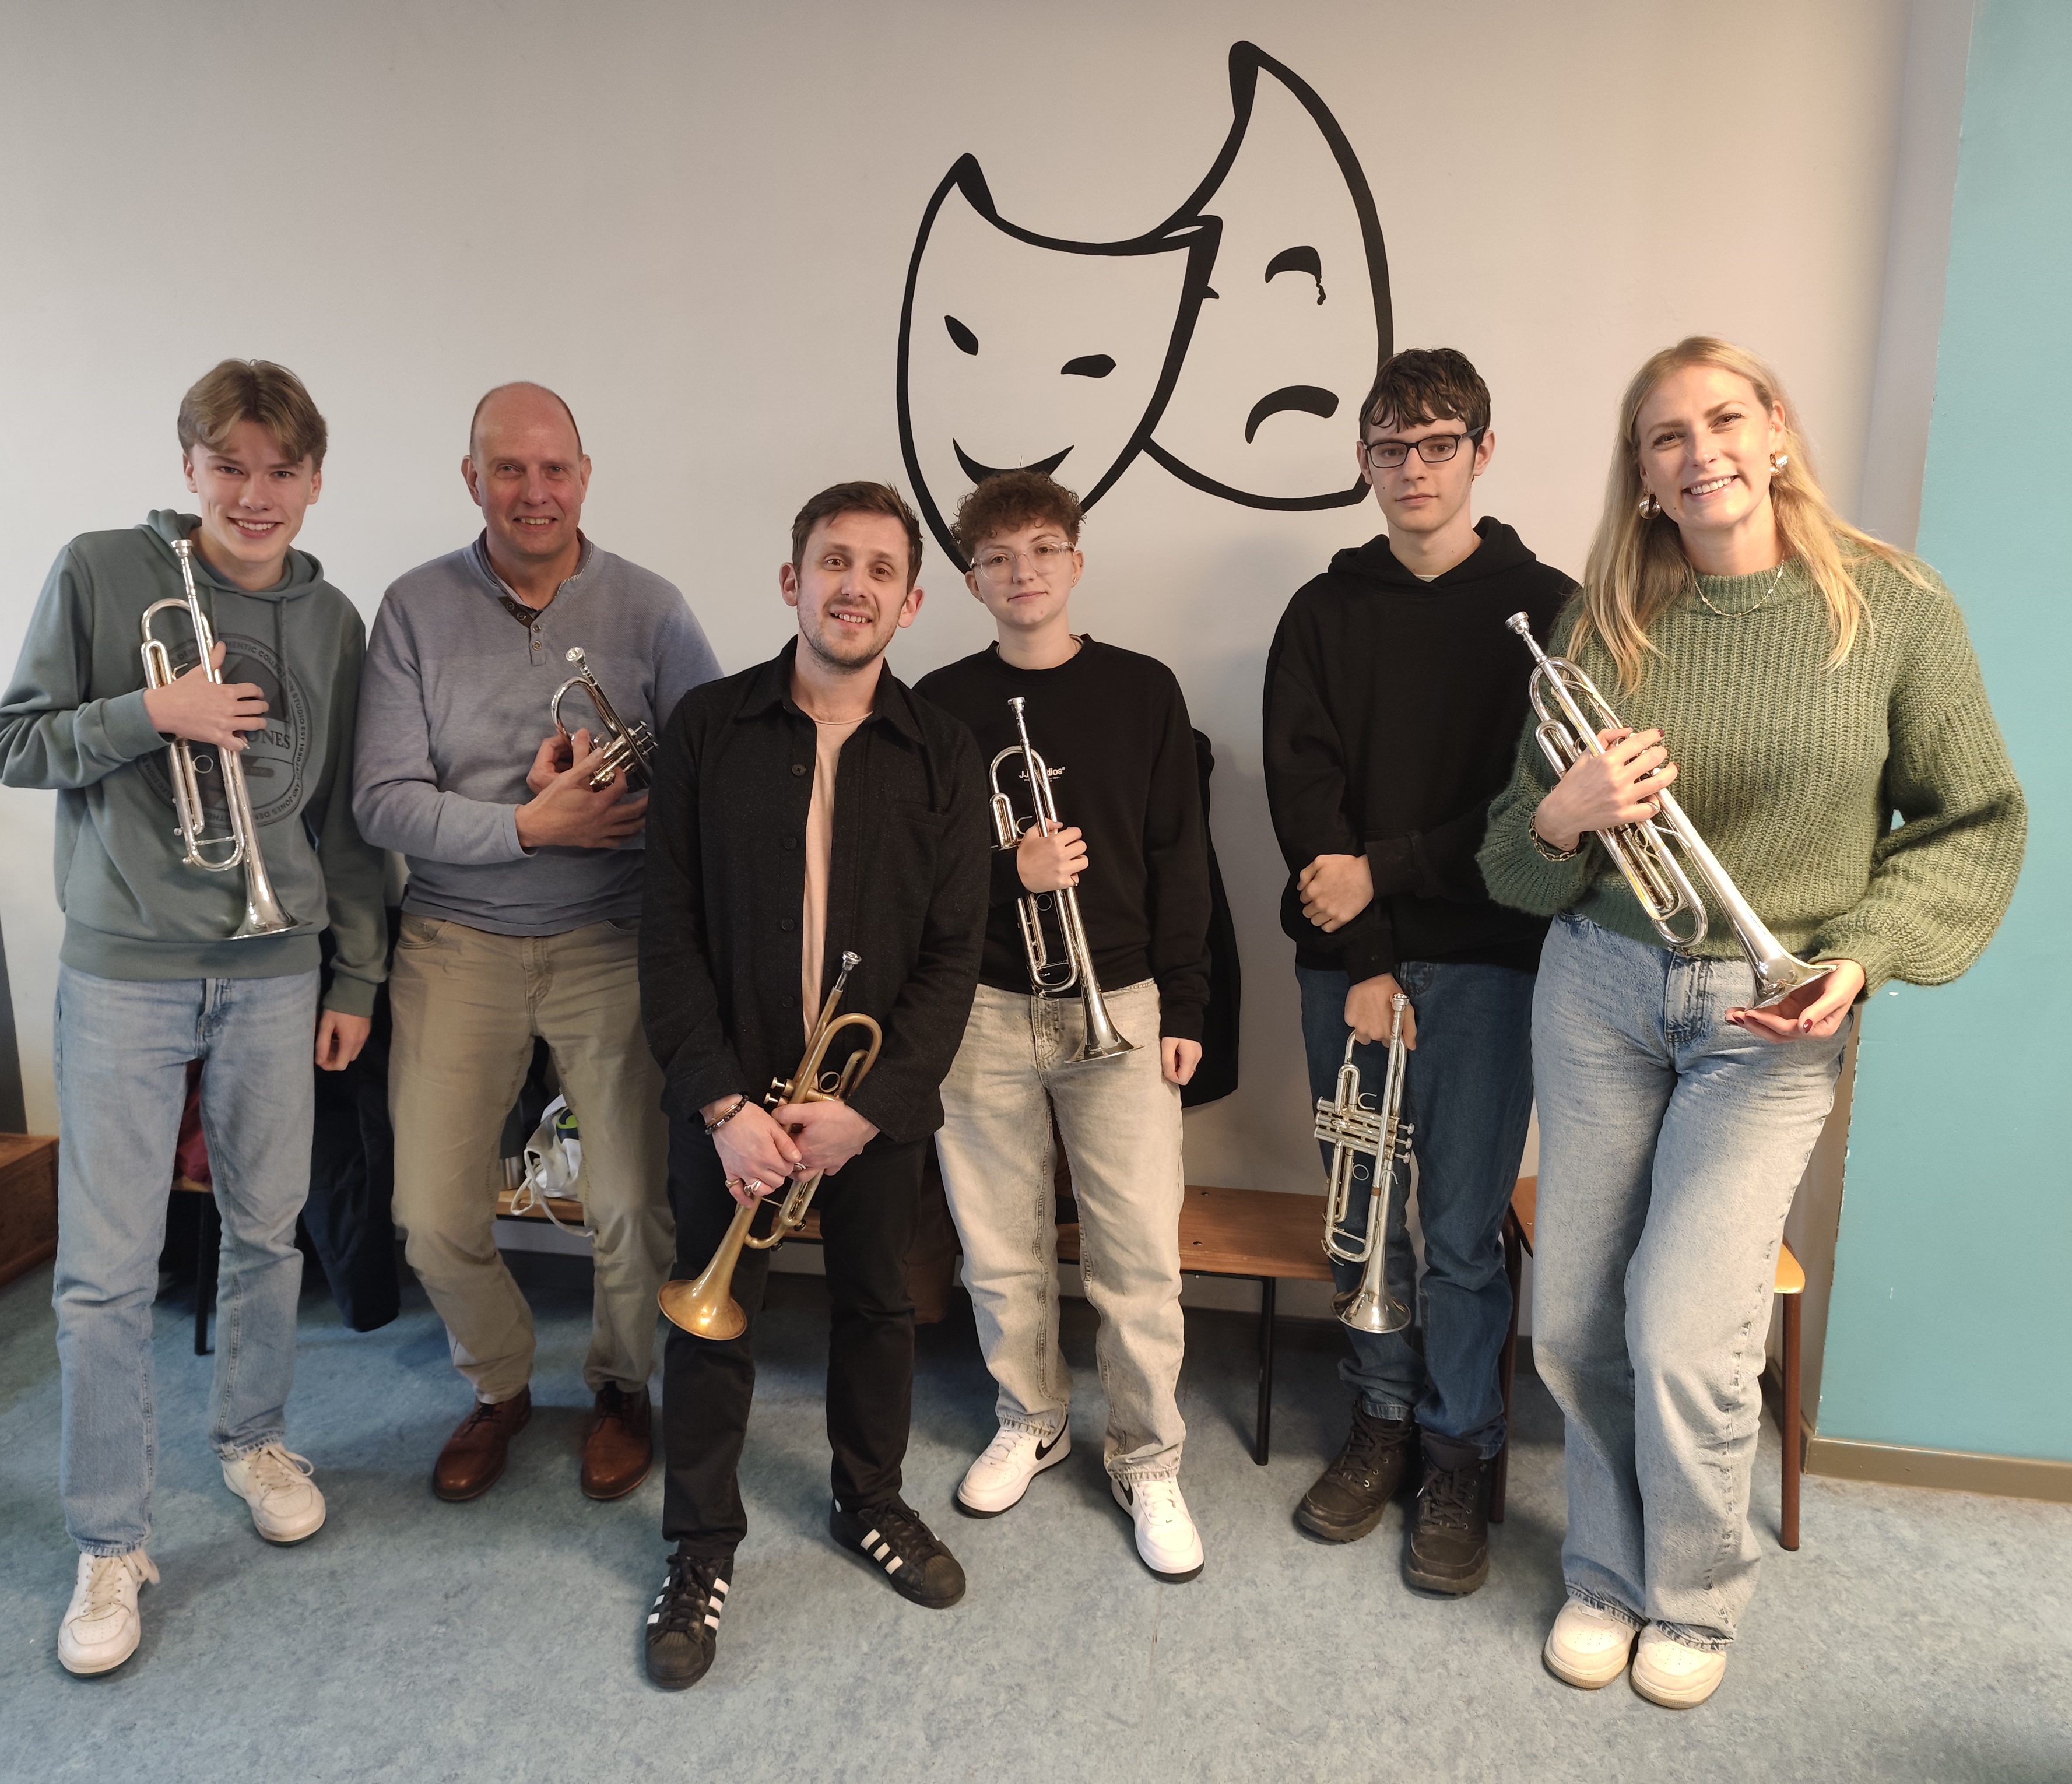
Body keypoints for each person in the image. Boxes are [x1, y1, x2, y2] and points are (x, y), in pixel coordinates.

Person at [1478, 336, 2025, 1708]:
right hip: (1598, 992)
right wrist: (1567, 816)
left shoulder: (1893, 607)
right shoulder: (1605, 621)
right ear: (1642, 474)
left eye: (1724, 419)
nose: (1700, 452)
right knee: (1574, 1325)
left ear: (1776, 429)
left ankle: (1692, 1596)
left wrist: (1868, 956)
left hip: (1771, 1018)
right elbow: (1514, 864)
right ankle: (1605, 1574)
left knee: (1684, 1331)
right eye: (1665, 436)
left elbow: (1971, 822)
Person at [0, 359, 387, 1676]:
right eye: (230, 467)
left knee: (268, 1232)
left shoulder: (332, 619)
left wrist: (354, 976)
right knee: (105, 1273)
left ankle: (252, 1440)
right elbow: (16, 744)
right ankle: (110, 1541)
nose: (254, 494)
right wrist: (148, 712)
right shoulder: (102, 571)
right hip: (126, 970)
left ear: (314, 481)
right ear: (190, 468)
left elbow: (344, 817)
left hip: (277, 967)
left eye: (281, 471)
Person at [636, 480, 987, 1690]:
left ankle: (869, 1497)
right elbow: (666, 932)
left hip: (863, 1107)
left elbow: (954, 956)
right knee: (711, 1316)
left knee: (879, 1306)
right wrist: (722, 1106)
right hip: (730, 1100)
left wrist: (867, 1111)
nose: (855, 586)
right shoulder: (707, 728)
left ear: (911, 602)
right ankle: (699, 1544)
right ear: (793, 581)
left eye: (882, 570)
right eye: (835, 562)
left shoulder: (945, 752)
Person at [354, 383, 719, 1504]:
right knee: (429, 1216)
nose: (534, 491)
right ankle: (499, 1387)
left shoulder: (652, 609)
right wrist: (528, 825)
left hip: (613, 935)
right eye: (508, 469)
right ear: (473, 479)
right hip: (455, 938)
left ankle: (621, 1386)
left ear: (585, 476)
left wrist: (614, 803)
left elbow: (712, 779)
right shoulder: (412, 608)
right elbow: (381, 801)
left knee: (631, 1207)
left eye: (555, 468)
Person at [1263, 347, 1574, 1597]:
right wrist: (1369, 956)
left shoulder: (1551, 607)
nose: (1413, 470)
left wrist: (1386, 871)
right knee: (1362, 1212)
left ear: (1482, 453)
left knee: (1458, 1232)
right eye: (1389, 448)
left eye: (1439, 444)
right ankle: (1381, 1420)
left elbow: (1537, 808)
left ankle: (1458, 1454)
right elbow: (1304, 799)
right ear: (1363, 461)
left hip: (1495, 962)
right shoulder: (1322, 611)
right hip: (1351, 966)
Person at [914, 469, 1212, 1579]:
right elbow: (912, 870)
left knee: (1138, 1255)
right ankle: (1030, 1418)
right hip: (982, 1010)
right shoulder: (939, 701)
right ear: (972, 580)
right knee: (998, 1248)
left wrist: (1189, 1003)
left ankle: (1148, 1457)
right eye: (997, 558)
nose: (1023, 572)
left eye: (1043, 549)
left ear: (1076, 562)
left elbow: (1183, 855)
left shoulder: (1144, 689)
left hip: (1121, 1002)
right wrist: (1013, 870)